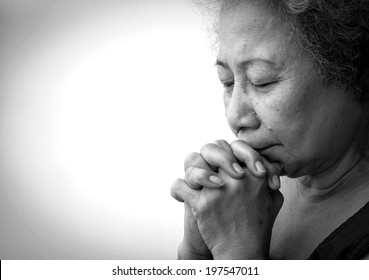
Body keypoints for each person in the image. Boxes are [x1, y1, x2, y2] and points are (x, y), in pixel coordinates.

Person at [170, 0, 369, 260]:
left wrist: (237, 251)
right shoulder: (247, 190)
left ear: (354, 70)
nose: (235, 116)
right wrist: (197, 253)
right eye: (227, 81)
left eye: (261, 81)